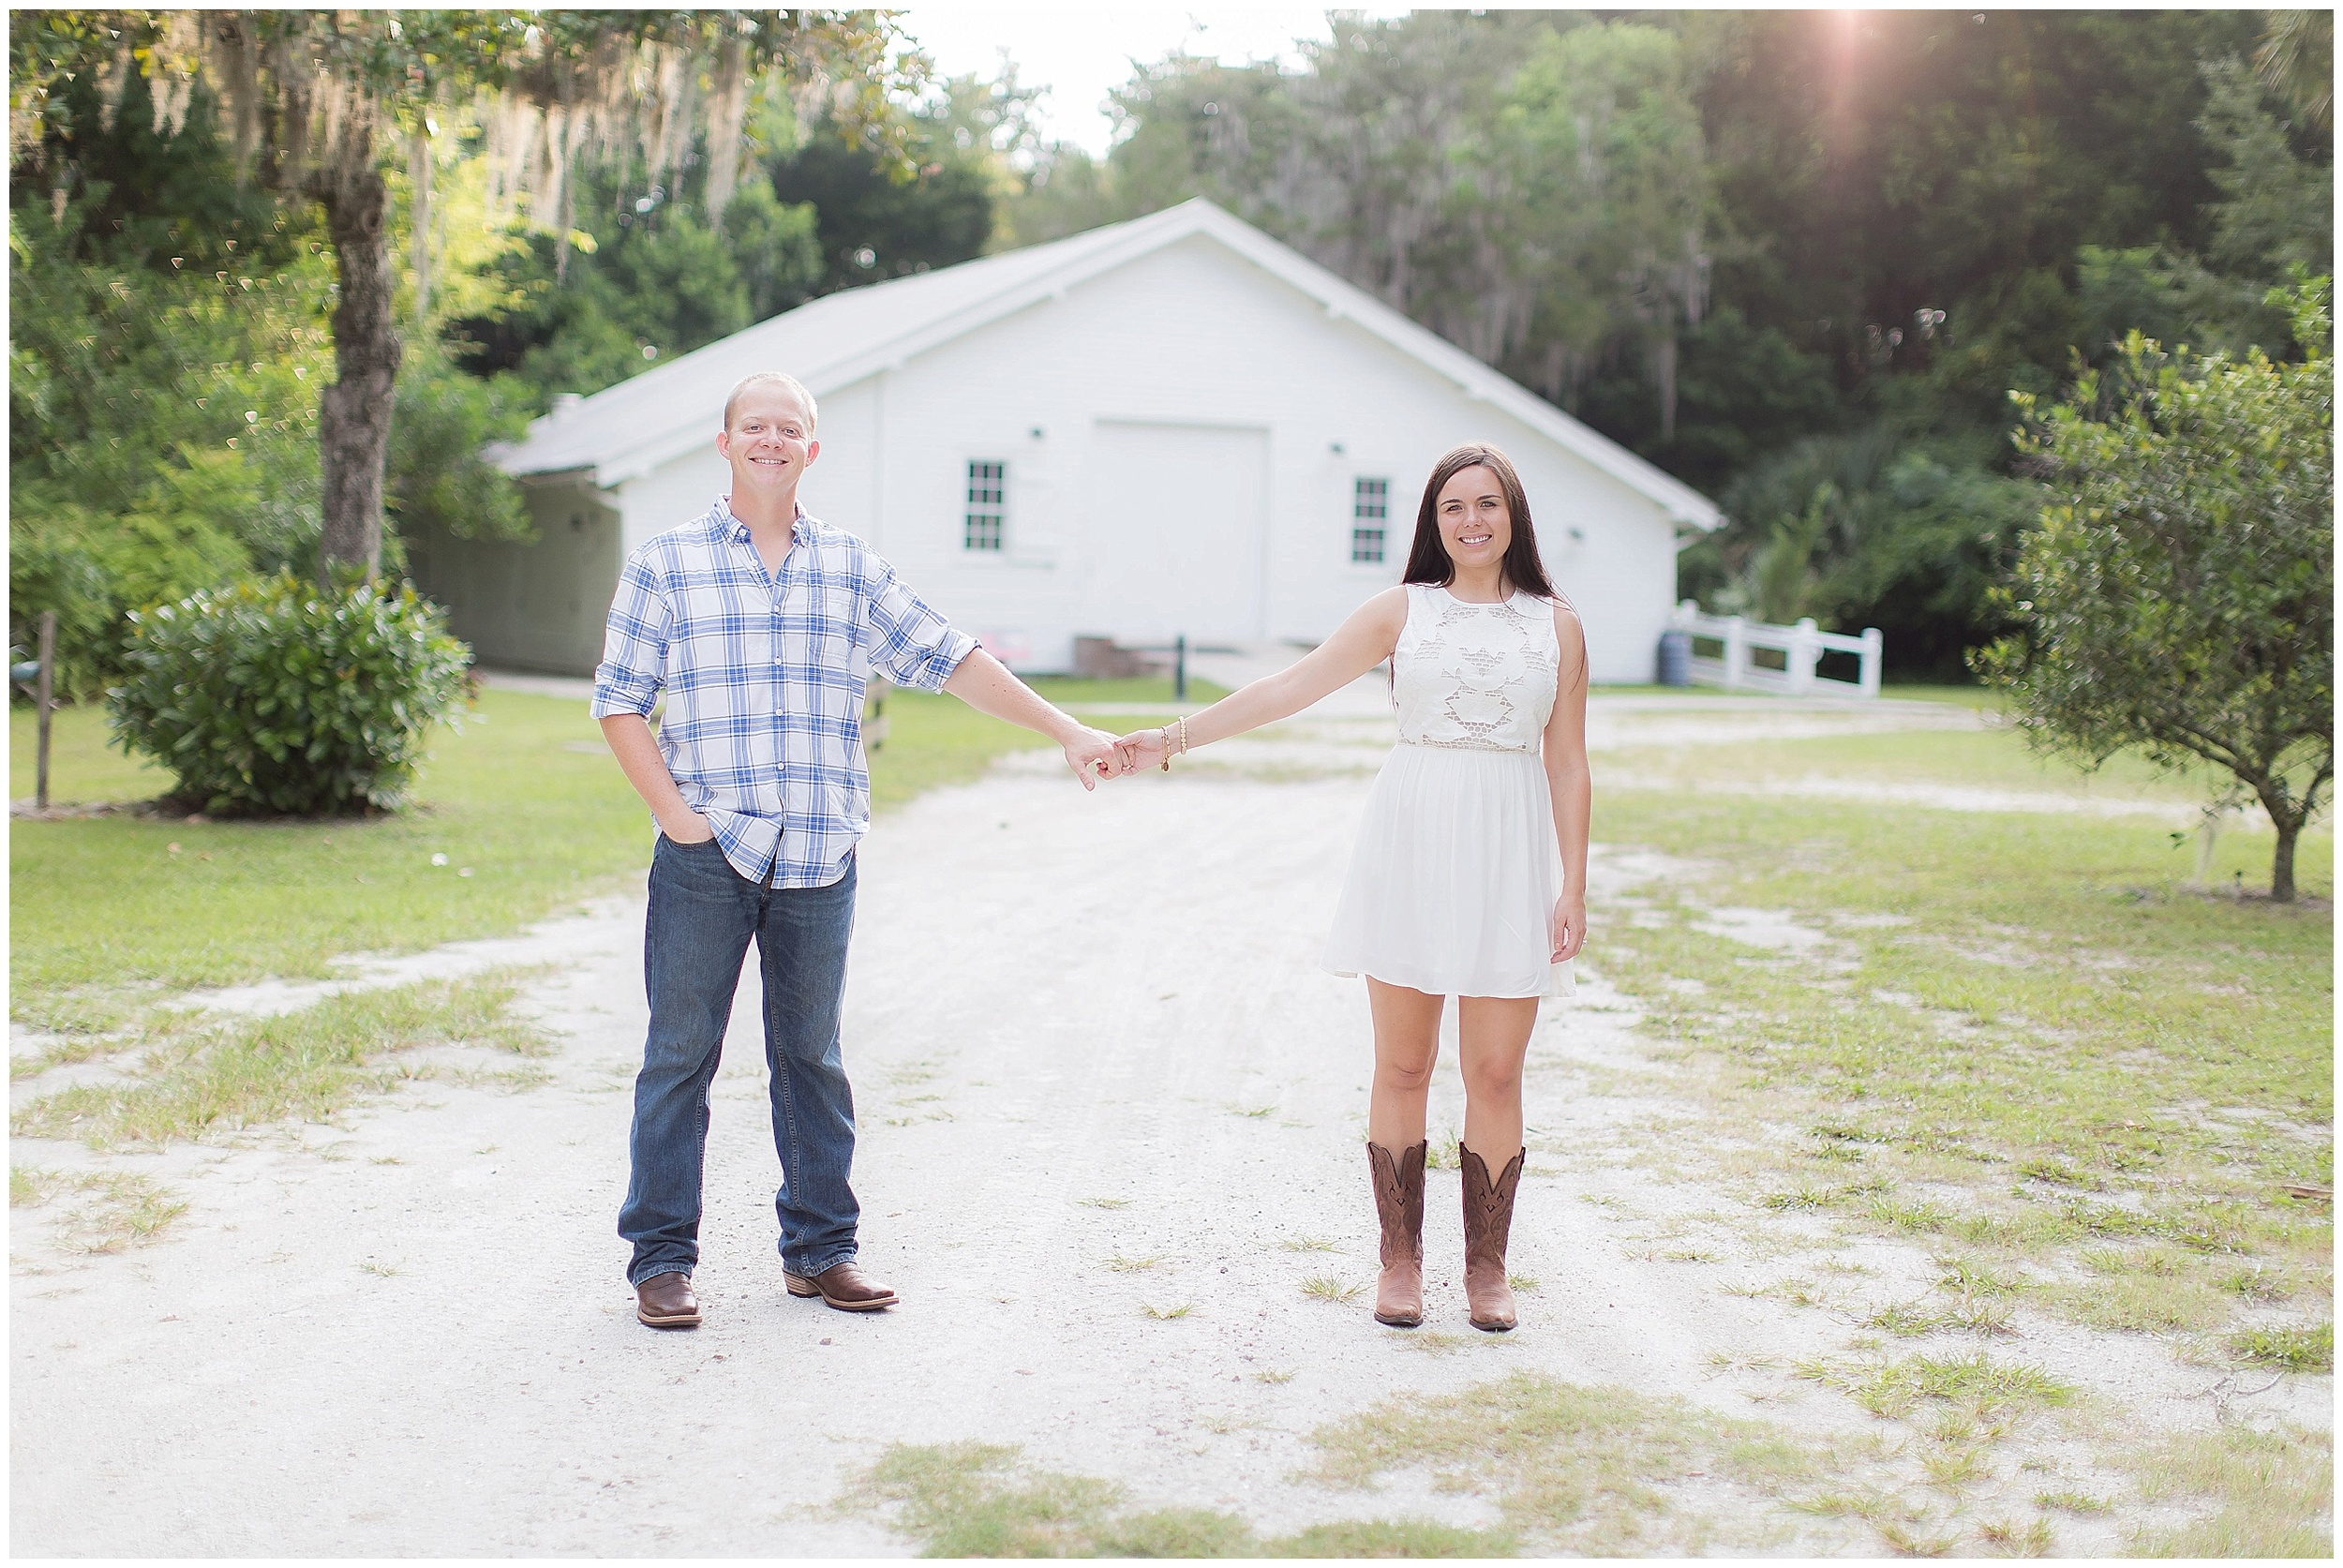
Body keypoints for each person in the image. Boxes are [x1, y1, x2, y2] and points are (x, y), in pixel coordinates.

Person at [592, 370, 1126, 1331]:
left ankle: (820, 1251)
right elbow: (619, 698)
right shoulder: (665, 563)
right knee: (679, 1055)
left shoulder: (846, 566)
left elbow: (952, 655)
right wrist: (678, 818)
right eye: (754, 426)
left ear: (810, 448)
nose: (770, 440)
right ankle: (661, 1260)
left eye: (787, 428)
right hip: (707, 852)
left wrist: (1064, 729)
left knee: (812, 1055)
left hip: (818, 854)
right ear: (724, 443)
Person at [1114, 441, 1589, 1333]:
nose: (1473, 520)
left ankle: (1487, 1270)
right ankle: (1400, 1259)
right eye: (1455, 507)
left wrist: (1575, 884)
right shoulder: (1401, 612)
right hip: (1412, 834)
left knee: (1494, 1068)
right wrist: (1170, 739)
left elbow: (1568, 764)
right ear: (1433, 521)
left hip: (1509, 846)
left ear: (1513, 514)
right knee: (1403, 1063)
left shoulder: (1554, 625)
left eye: (1488, 504)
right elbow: (1289, 685)